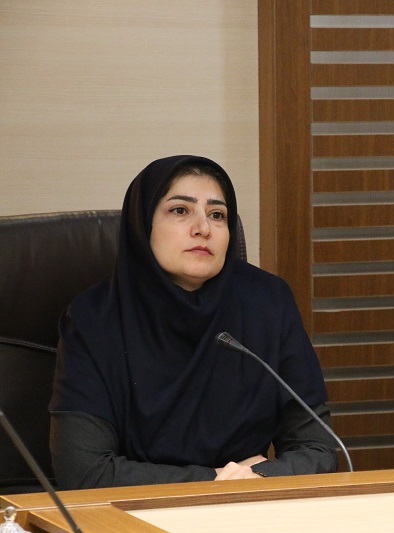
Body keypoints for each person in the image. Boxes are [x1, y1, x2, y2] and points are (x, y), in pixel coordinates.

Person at [50, 155, 338, 489]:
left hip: (244, 507)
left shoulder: (268, 302)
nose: (203, 228)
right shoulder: (93, 318)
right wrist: (219, 479)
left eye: (217, 215)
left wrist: (260, 477)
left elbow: (319, 450)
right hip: (134, 511)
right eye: (180, 210)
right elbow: (83, 472)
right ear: (143, 225)